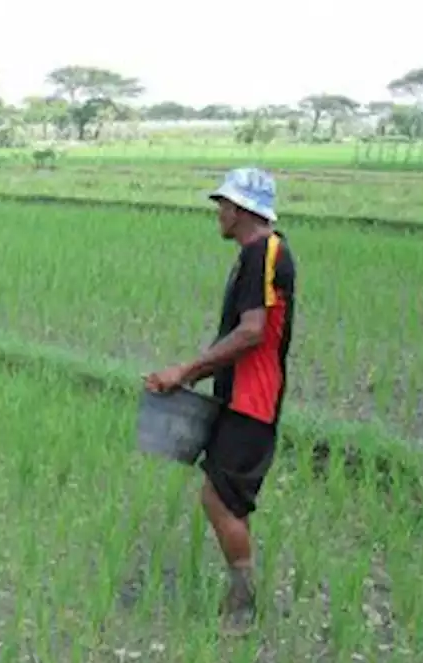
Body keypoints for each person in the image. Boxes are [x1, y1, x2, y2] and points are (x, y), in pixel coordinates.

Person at [144, 168, 297, 634]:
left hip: (252, 401)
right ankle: (241, 595)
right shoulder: (256, 254)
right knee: (222, 496)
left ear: (244, 210)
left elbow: (251, 333)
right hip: (239, 397)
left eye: (224, 205)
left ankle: (244, 605)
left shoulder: (263, 255)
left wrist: (185, 371)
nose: (220, 212)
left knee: (220, 498)